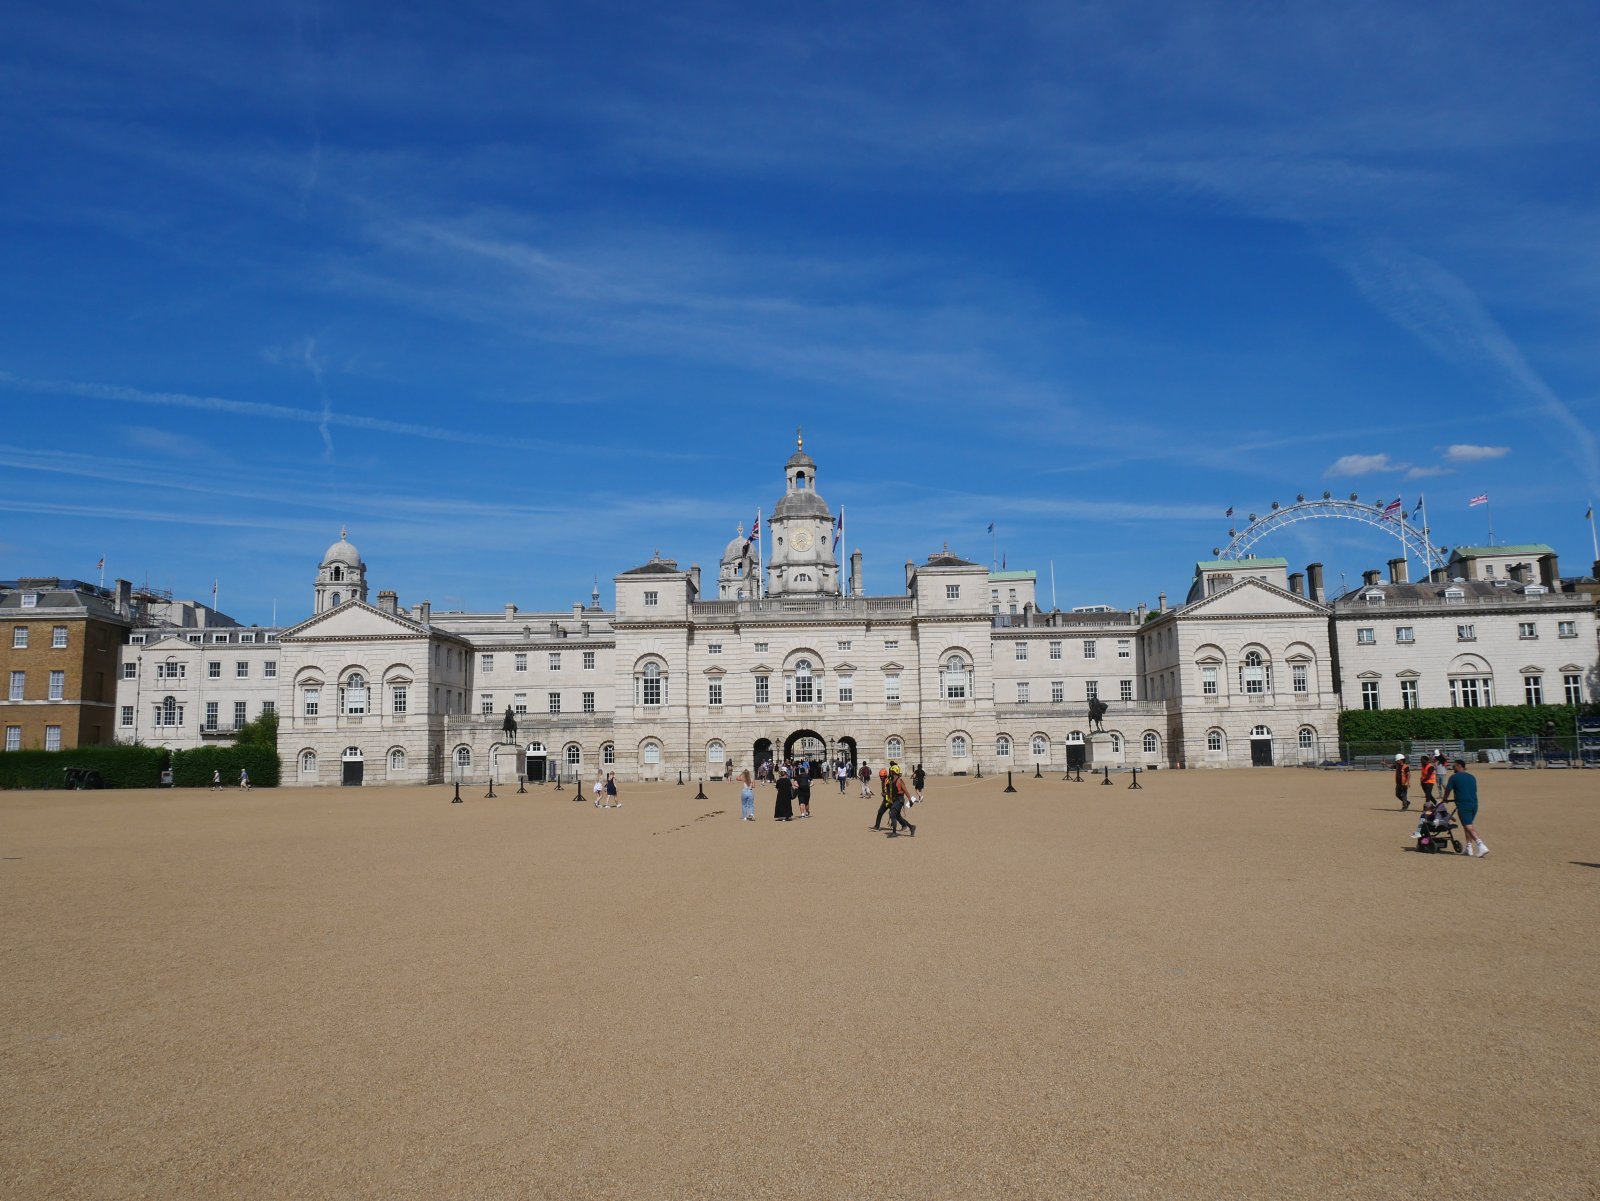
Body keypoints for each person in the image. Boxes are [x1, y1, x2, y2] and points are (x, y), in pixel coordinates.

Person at [1442, 759, 1487, 856]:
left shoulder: (1454, 777)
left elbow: (1448, 790)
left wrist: (1445, 799)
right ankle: (1469, 848)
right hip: (1474, 804)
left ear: (1459, 766)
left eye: (1454, 766)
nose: (1452, 768)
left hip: (1463, 805)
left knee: (1468, 826)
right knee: (1467, 825)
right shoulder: (1472, 777)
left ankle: (1481, 845)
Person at [887, 763, 916, 838]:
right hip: (895, 800)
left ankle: (894, 832)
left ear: (894, 772)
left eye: (891, 771)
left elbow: (906, 791)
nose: (890, 773)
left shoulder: (899, 781)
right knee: (897, 816)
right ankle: (911, 827)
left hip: (899, 800)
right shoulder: (892, 780)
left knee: (892, 813)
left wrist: (910, 800)